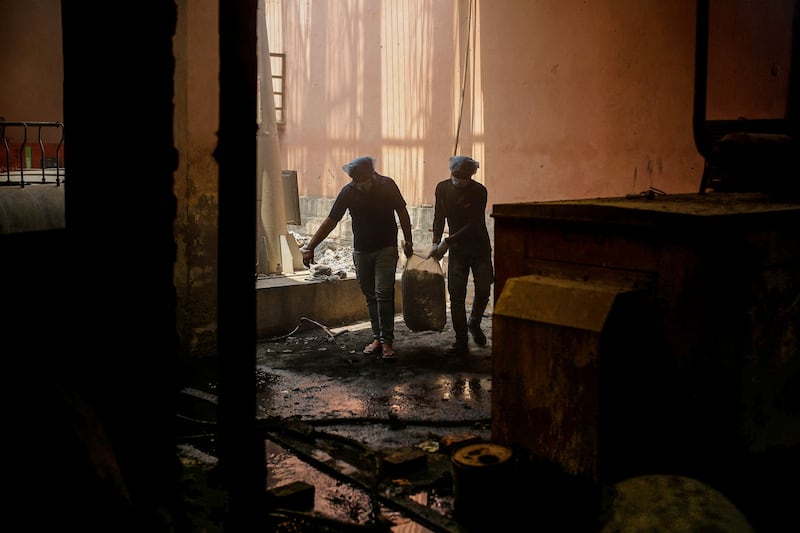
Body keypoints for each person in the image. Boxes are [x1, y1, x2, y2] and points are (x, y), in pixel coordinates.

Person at [300, 156, 414, 359]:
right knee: (370, 295)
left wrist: (408, 241)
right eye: (354, 180)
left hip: (386, 248)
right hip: (361, 250)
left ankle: (387, 341)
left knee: (383, 293)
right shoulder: (348, 191)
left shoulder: (387, 185)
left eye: (361, 180)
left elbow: (402, 212)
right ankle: (377, 337)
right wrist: (310, 247)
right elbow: (331, 220)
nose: (357, 184)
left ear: (372, 175)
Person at [428, 155, 494, 355]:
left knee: (483, 290)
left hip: (480, 248)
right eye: (456, 175)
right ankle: (461, 339)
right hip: (458, 253)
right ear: (451, 172)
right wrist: (435, 242)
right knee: (456, 296)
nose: (459, 179)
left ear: (471, 175)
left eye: (463, 176)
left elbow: (473, 223)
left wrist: (447, 242)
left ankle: (474, 322)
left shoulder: (479, 191)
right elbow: (439, 217)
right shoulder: (442, 188)